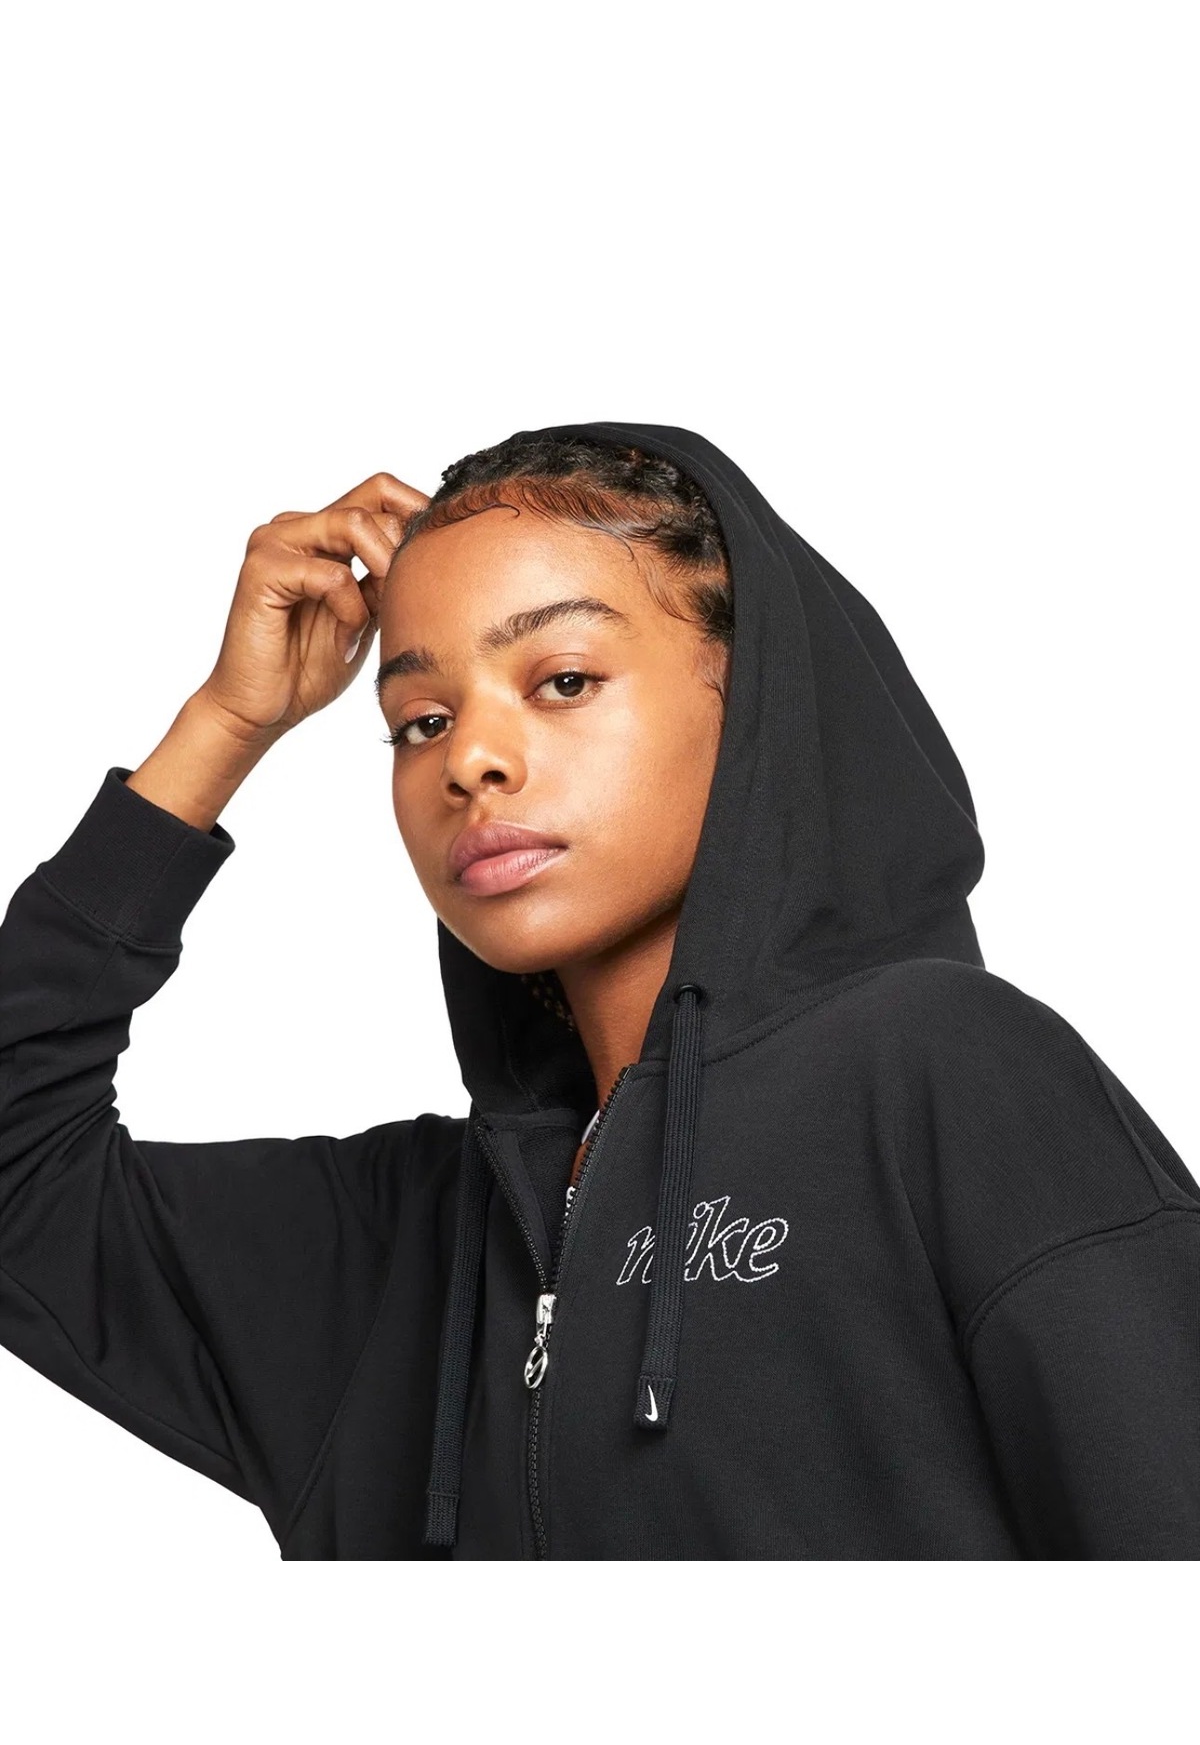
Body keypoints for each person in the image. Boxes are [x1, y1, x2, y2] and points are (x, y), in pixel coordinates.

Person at [1, 420, 1197, 1562]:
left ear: (752, 699)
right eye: (420, 720)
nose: (470, 758)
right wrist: (227, 722)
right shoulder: (397, 1248)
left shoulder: (944, 1079)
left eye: (564, 679)